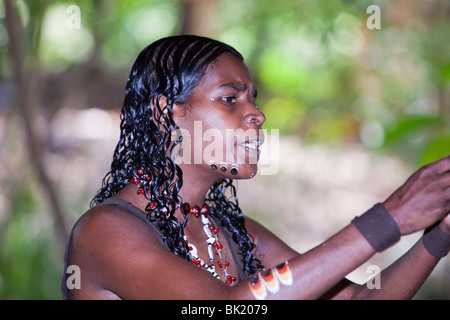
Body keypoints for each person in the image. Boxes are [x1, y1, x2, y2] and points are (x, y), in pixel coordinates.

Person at [61, 35, 450, 300]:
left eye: (253, 99)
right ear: (166, 113)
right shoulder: (106, 231)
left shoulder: (234, 232)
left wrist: (438, 235)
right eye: (230, 99)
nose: (258, 115)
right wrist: (388, 220)